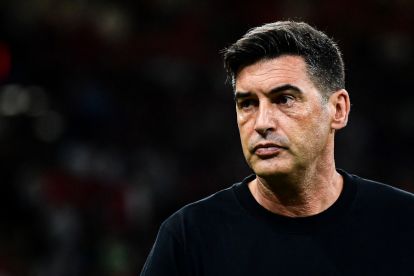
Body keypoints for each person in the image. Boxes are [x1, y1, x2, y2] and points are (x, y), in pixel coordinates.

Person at [140, 21, 414, 275]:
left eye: (284, 99)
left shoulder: (403, 223)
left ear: (338, 110)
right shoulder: (190, 236)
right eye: (247, 103)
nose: (262, 123)